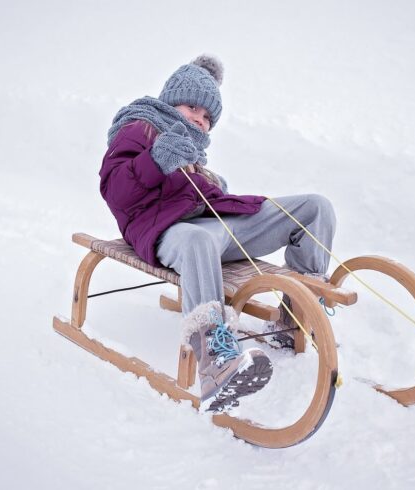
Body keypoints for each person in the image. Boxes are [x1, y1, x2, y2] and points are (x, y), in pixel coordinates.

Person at [100, 54, 336, 412]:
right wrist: (155, 161)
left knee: (313, 207)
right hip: (168, 231)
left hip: (216, 226)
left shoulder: (193, 149)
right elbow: (116, 190)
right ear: (170, 100)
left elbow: (190, 190)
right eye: (192, 106)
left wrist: (210, 185)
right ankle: (216, 361)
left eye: (208, 116)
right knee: (198, 240)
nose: (199, 117)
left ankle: (296, 319)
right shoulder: (141, 126)